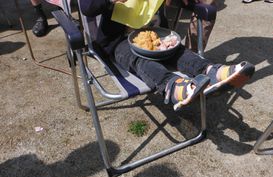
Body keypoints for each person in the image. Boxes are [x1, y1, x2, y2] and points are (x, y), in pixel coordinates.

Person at [80, 0, 255, 111]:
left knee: (178, 51)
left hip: (158, 36)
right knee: (140, 61)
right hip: (119, 42)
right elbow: (86, 7)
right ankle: (172, 85)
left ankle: (212, 71)